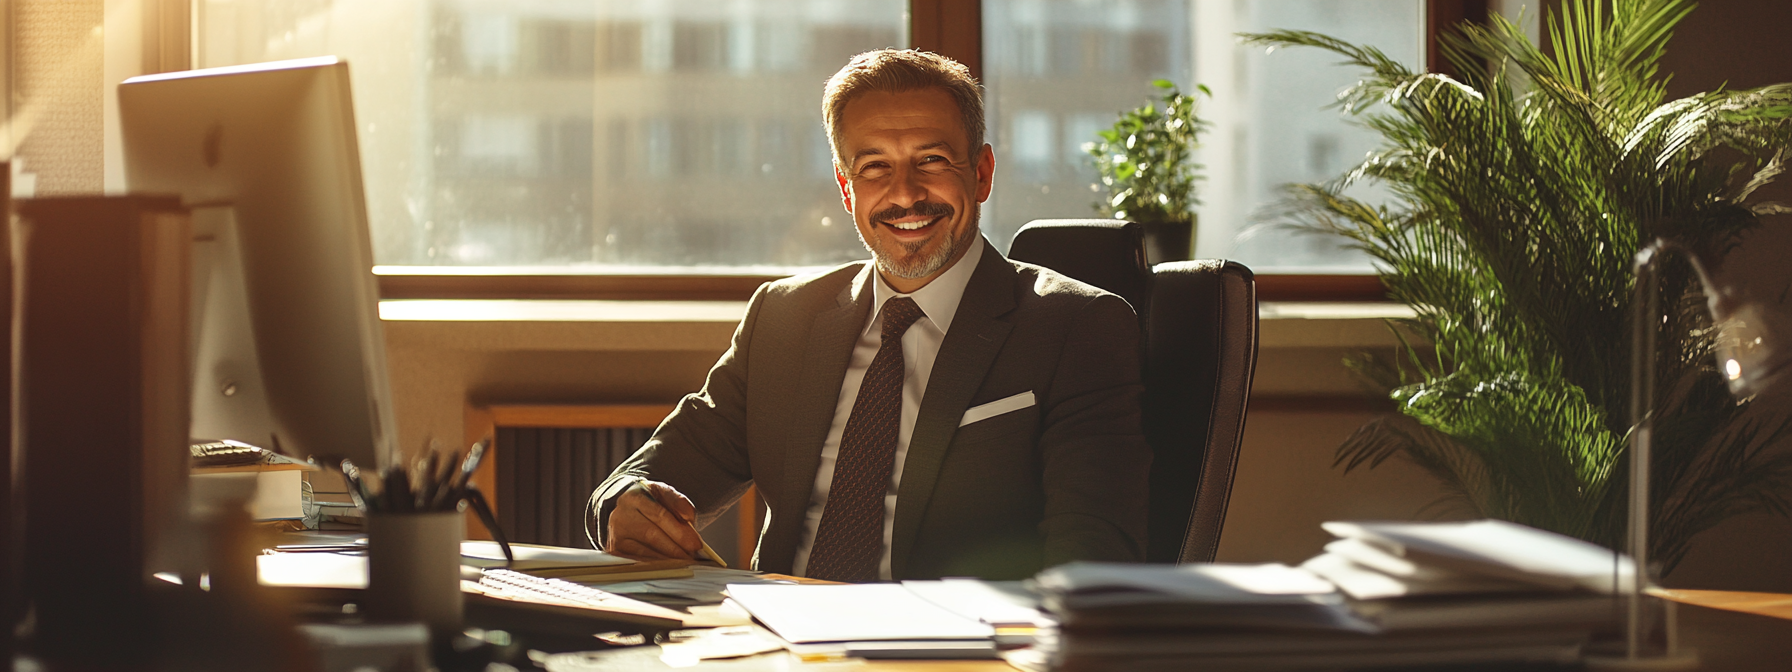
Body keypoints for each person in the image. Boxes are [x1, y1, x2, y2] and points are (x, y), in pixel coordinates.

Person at [586, 49, 1149, 581]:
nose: (904, 194)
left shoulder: (1076, 328)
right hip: (774, 640)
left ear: (981, 173)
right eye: (874, 167)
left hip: (950, 649)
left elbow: (1089, 561)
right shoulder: (782, 319)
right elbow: (648, 478)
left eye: (930, 160)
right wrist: (624, 505)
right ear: (845, 187)